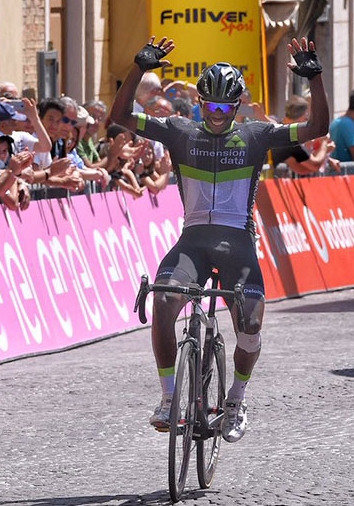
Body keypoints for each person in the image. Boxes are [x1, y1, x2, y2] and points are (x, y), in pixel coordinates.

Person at [110, 35, 329, 442]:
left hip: (237, 243)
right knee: (163, 301)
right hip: (192, 241)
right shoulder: (179, 132)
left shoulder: (256, 136)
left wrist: (313, 79)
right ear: (199, 103)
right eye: (208, 105)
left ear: (237, 105)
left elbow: (319, 128)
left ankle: (236, 399)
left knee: (250, 324)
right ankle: (168, 397)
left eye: (224, 107)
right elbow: (120, 115)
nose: (215, 114)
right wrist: (138, 67)